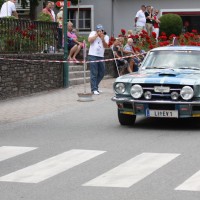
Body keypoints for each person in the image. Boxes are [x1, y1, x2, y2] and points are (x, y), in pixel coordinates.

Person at [88, 24, 109, 95]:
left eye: (101, 30)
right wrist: (96, 35)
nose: (100, 32)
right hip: (92, 55)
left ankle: (95, 86)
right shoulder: (93, 33)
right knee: (94, 72)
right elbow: (89, 40)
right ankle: (94, 89)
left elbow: (106, 46)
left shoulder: (106, 36)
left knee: (102, 72)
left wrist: (102, 39)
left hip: (101, 56)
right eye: (99, 30)